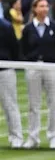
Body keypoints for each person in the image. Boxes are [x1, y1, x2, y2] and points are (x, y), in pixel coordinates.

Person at [21, 0, 55, 149]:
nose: (44, 9)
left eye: (46, 6)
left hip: (51, 67)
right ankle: (33, 137)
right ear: (34, 9)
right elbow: (24, 48)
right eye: (41, 6)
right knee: (34, 104)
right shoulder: (28, 29)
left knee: (54, 103)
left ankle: (54, 137)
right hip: (33, 68)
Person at [0, 16, 23, 148]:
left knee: (10, 105)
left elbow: (14, 48)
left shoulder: (6, 26)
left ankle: (16, 138)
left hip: (5, 70)